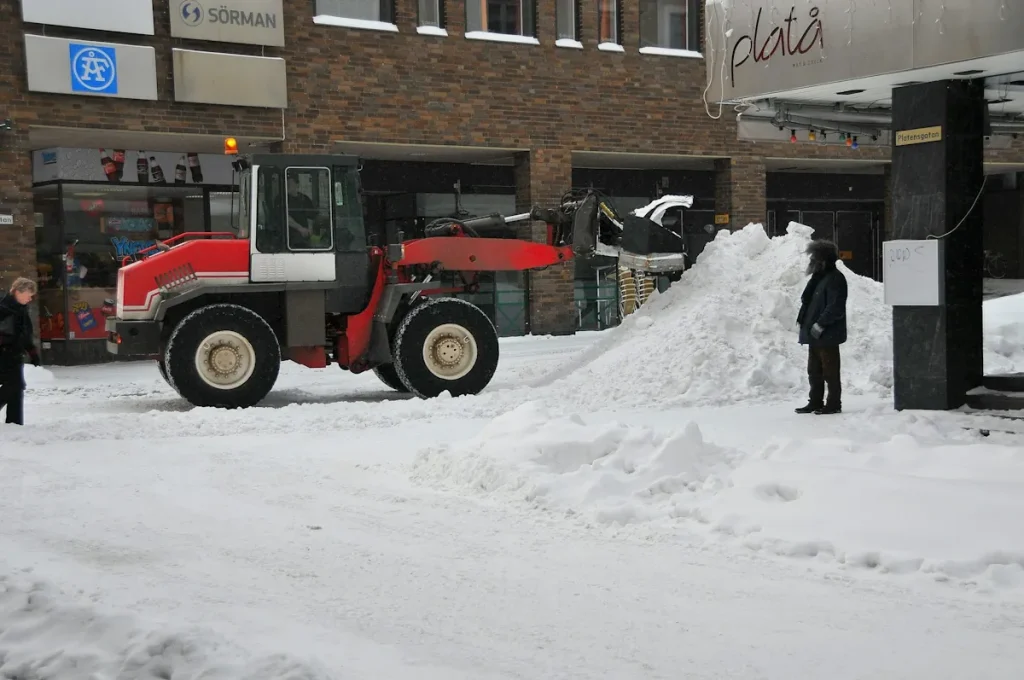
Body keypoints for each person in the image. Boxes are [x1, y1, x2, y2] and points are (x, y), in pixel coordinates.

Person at [795, 239, 848, 415]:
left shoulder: (835, 279)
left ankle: (833, 403)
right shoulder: (818, 278)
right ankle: (815, 401)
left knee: (830, 372)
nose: (811, 261)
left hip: (827, 334)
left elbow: (835, 307)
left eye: (814, 258)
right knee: (814, 371)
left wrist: (820, 324)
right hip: (815, 334)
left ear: (823, 260)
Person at [0, 277, 41, 426]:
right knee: (14, 386)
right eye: (29, 295)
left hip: (15, 354)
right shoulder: (3, 308)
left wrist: (32, 352)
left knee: (17, 390)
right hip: (3, 354)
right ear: (18, 291)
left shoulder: (21, 310)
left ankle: (14, 423)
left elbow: (25, 334)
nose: (30, 299)